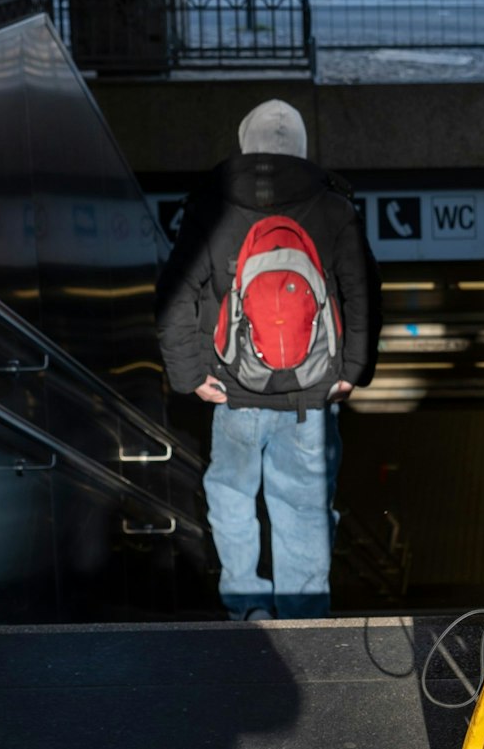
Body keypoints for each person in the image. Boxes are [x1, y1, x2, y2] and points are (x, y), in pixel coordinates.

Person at [155, 100, 375, 621]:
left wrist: (191, 377)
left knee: (231, 496)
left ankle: (248, 608)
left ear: (243, 143)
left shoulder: (210, 207)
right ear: (301, 147)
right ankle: (304, 618)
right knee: (302, 504)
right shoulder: (334, 208)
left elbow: (174, 296)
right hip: (311, 397)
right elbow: (363, 293)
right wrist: (352, 371)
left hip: (234, 391)